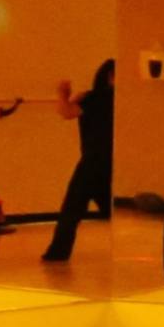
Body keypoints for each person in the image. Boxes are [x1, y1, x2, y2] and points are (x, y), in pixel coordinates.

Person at [40, 61, 120, 263]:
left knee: (72, 209)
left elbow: (66, 112)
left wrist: (63, 94)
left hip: (91, 162)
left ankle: (58, 252)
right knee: (111, 207)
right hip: (112, 161)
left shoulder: (92, 98)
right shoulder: (120, 100)